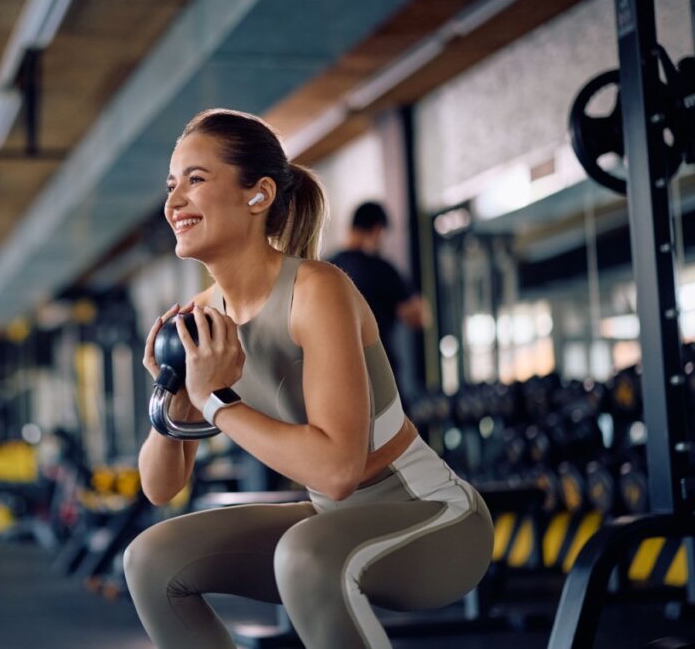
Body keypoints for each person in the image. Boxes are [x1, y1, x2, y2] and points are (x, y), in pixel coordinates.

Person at [123, 108, 493, 649]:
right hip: (328, 523)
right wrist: (174, 395)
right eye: (171, 185)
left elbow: (338, 469)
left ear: (259, 194)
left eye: (195, 180)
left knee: (305, 554)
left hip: (433, 520)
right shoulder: (202, 320)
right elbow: (160, 487)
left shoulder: (316, 289)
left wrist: (216, 401)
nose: (174, 201)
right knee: (150, 559)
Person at [329, 201, 429, 384]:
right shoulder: (382, 269)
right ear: (377, 230)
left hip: (337, 374)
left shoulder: (326, 267)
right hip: (380, 374)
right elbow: (419, 317)